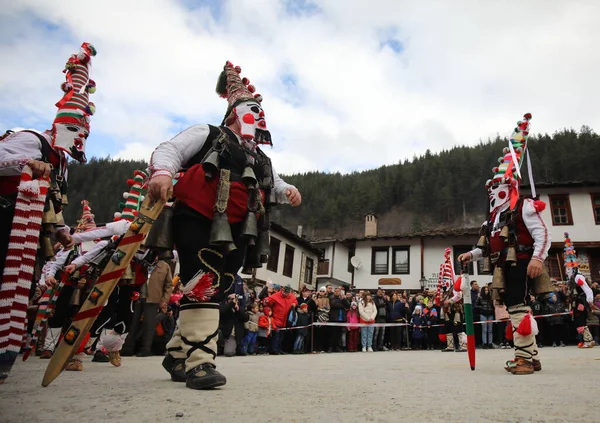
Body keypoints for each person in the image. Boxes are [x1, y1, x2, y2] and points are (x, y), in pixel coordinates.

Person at [148, 61, 301, 390]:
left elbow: (273, 184)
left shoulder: (260, 157)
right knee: (202, 281)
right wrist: (162, 173)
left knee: (218, 287)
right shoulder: (208, 133)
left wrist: (287, 191)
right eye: (253, 109)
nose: (260, 116)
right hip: (198, 216)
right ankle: (200, 363)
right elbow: (170, 150)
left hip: (238, 228)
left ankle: (176, 353)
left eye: (262, 112)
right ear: (234, 111)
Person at [0, 42, 97, 383]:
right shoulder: (30, 141)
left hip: (27, 232)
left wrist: (59, 231)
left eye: (83, 133)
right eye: (75, 131)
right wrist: (27, 163)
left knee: (19, 289)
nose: (78, 138)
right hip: (5, 218)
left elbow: (52, 203)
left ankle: (4, 354)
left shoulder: (62, 164)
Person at [459, 113, 551, 375]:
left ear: (509, 185)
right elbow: (488, 247)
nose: (494, 191)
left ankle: (523, 359)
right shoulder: (493, 219)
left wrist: (537, 258)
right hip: (504, 266)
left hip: (522, 262)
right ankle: (531, 357)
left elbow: (543, 234)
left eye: (499, 185)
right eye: (492, 187)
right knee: (515, 305)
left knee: (517, 304)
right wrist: (471, 254)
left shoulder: (523, 207)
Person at [135, 259, 173, 357]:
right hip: (136, 296)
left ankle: (146, 348)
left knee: (149, 325)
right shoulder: (139, 261)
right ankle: (128, 348)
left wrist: (164, 300)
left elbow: (168, 285)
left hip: (153, 298)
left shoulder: (164, 266)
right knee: (132, 324)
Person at [563, 233, 595, 349]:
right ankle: (586, 340)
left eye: (568, 268)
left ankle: (588, 340)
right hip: (576, 302)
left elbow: (587, 289)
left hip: (581, 301)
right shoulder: (572, 278)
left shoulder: (578, 277)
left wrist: (589, 302)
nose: (567, 270)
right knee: (578, 321)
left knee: (580, 321)